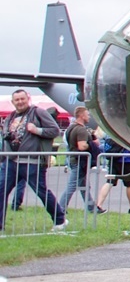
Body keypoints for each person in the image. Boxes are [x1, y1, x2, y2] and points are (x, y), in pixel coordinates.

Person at [1, 89, 67, 231]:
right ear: (12, 102)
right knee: (1, 191)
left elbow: (55, 130)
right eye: (17, 100)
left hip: (32, 162)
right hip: (12, 162)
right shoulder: (10, 117)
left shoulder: (38, 112)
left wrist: (37, 130)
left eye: (22, 99)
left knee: (41, 192)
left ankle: (60, 220)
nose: (20, 102)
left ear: (28, 99)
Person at [61, 104, 101, 212]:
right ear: (82, 116)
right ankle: (60, 208)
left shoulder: (71, 128)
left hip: (74, 159)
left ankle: (91, 207)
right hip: (79, 161)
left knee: (84, 187)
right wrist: (91, 144)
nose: (89, 117)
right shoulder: (81, 130)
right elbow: (82, 146)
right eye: (87, 115)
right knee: (72, 186)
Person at [94, 143, 130, 215]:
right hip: (126, 159)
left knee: (109, 182)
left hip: (114, 158)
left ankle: (98, 205)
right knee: (129, 184)